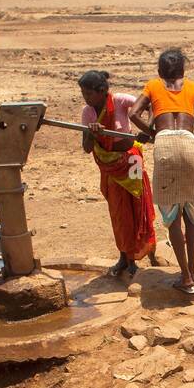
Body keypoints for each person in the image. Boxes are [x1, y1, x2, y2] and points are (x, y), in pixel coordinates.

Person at [129, 48, 194, 294]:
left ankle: (186, 277)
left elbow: (133, 113)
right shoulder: (192, 87)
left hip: (165, 145)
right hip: (189, 144)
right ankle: (191, 269)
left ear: (160, 72)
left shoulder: (152, 86)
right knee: (191, 213)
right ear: (183, 71)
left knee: (172, 217)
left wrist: (152, 133)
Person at [78, 70, 158, 279]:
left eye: (89, 93)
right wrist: (91, 133)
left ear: (102, 91)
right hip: (110, 166)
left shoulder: (121, 101)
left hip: (130, 161)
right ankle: (125, 257)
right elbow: (86, 148)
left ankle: (144, 252)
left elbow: (150, 107)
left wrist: (147, 129)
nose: (86, 98)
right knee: (119, 213)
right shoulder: (87, 113)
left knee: (138, 206)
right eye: (83, 93)